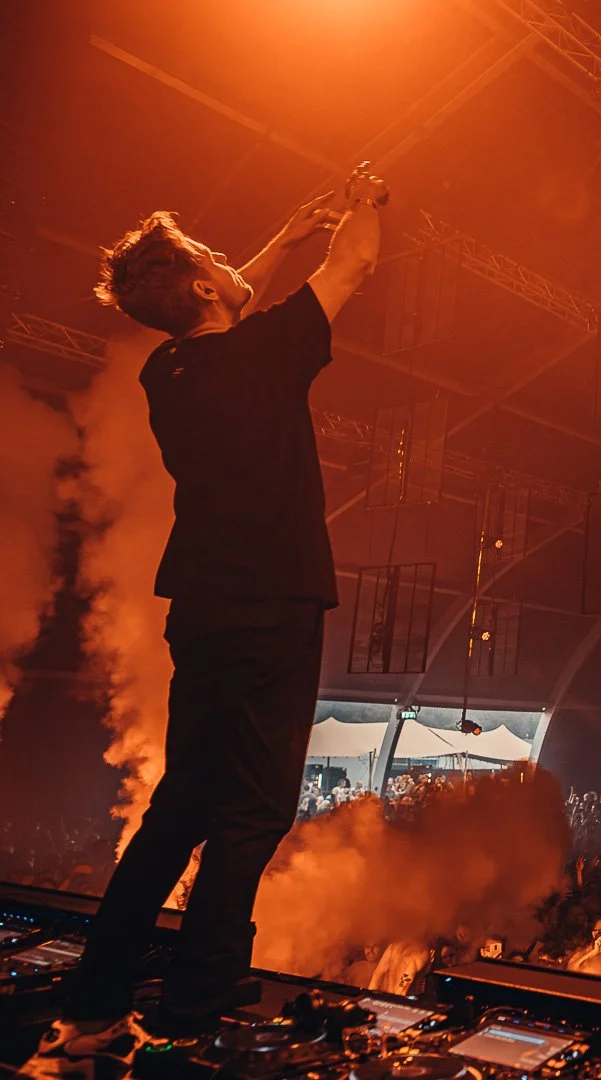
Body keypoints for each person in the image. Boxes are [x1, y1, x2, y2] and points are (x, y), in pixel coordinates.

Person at [25, 165, 387, 1074]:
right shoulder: (262, 351)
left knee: (178, 808)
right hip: (275, 603)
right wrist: (365, 202)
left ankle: (92, 1010)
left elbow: (225, 302)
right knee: (251, 815)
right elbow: (356, 265)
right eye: (212, 258)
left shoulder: (168, 369)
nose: (231, 264)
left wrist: (286, 235)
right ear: (199, 288)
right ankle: (191, 1017)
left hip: (203, 608)